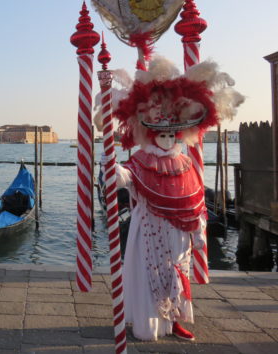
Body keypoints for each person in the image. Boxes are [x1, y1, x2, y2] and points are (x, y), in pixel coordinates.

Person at [98, 56, 243, 342]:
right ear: (150, 134)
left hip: (179, 234)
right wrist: (108, 162)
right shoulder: (141, 161)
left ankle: (176, 320)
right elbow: (122, 179)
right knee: (149, 274)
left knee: (179, 272)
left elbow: (195, 199)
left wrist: (199, 228)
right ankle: (149, 324)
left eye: (171, 133)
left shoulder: (185, 164)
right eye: (160, 133)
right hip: (149, 229)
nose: (166, 138)